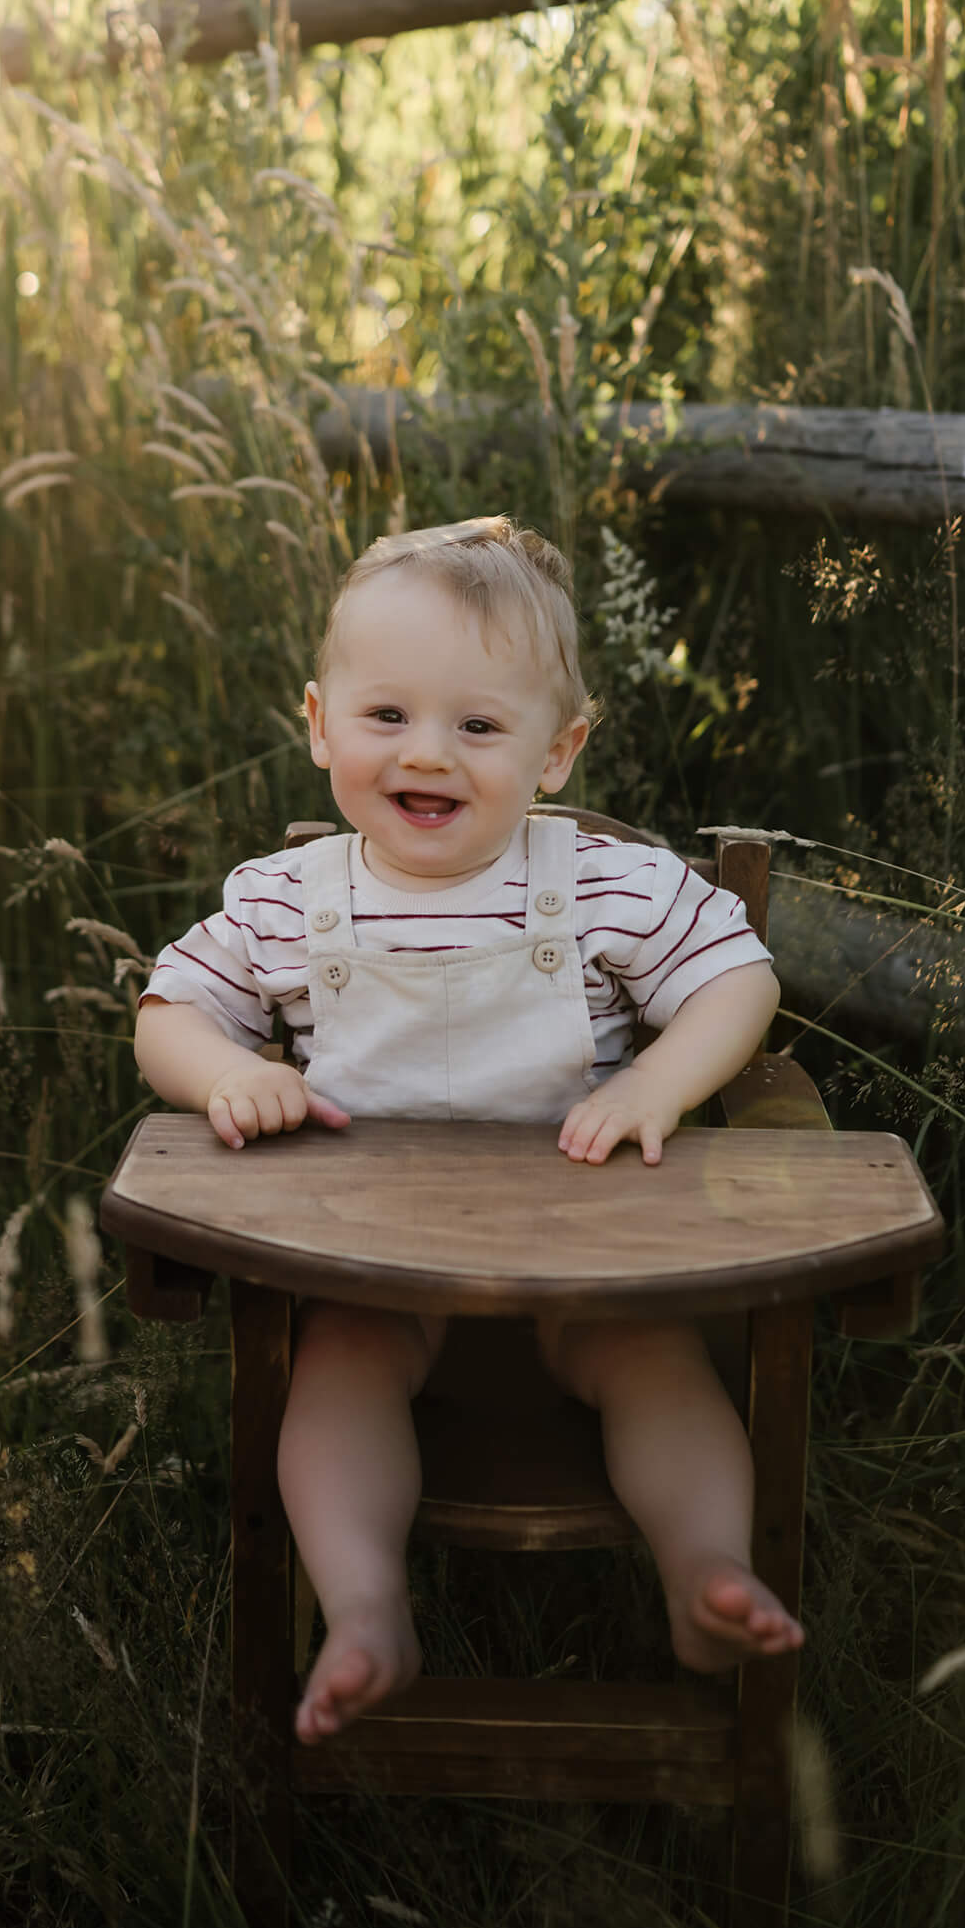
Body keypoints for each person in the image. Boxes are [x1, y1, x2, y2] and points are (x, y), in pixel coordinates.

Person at [134, 515, 801, 1746]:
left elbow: (737, 979)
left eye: (479, 726)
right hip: (374, 1268)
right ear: (322, 720)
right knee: (336, 1368)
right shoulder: (290, 898)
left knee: (661, 1361)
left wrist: (659, 1083)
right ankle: (367, 1608)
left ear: (560, 749)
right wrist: (227, 1072)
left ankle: (708, 1575)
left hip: (589, 1257)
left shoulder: (602, 881)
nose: (426, 754)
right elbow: (168, 1011)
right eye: (387, 717)